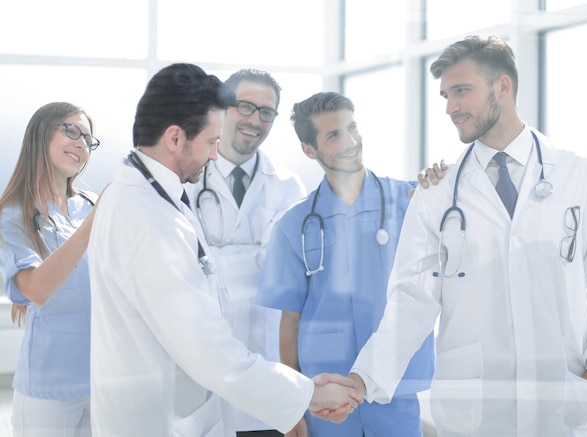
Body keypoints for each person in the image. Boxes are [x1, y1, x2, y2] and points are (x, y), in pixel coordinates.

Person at [347, 35, 587, 436]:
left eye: (461, 91)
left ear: (502, 86)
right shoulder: (437, 192)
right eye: (445, 95)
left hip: (561, 396)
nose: (450, 107)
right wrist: (364, 378)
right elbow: (412, 300)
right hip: (473, 409)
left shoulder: (580, 175)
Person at [87, 63, 362, 437]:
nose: (215, 155)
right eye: (211, 142)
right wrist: (309, 394)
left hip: (199, 391)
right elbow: (208, 350)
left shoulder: (148, 197)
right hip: (162, 414)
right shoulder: (151, 222)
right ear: (174, 138)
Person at [257, 91, 435, 437]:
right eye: (334, 134)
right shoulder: (294, 225)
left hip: (393, 390)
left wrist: (440, 177)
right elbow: (289, 322)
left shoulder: (411, 201)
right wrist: (292, 405)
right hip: (326, 395)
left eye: (352, 128)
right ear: (310, 150)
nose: (352, 141)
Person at [188, 69, 306, 437]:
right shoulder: (188, 183)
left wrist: (219, 261)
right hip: (202, 368)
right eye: (245, 106)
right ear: (223, 108)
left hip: (267, 371)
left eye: (266, 112)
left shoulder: (288, 187)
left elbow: (294, 283)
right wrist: (256, 261)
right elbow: (180, 270)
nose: (255, 120)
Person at [0, 102, 100, 436]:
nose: (81, 144)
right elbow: (37, 289)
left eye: (88, 139)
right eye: (71, 130)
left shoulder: (88, 204)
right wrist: (96, 222)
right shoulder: (12, 215)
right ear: (40, 134)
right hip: (48, 386)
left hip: (100, 378)